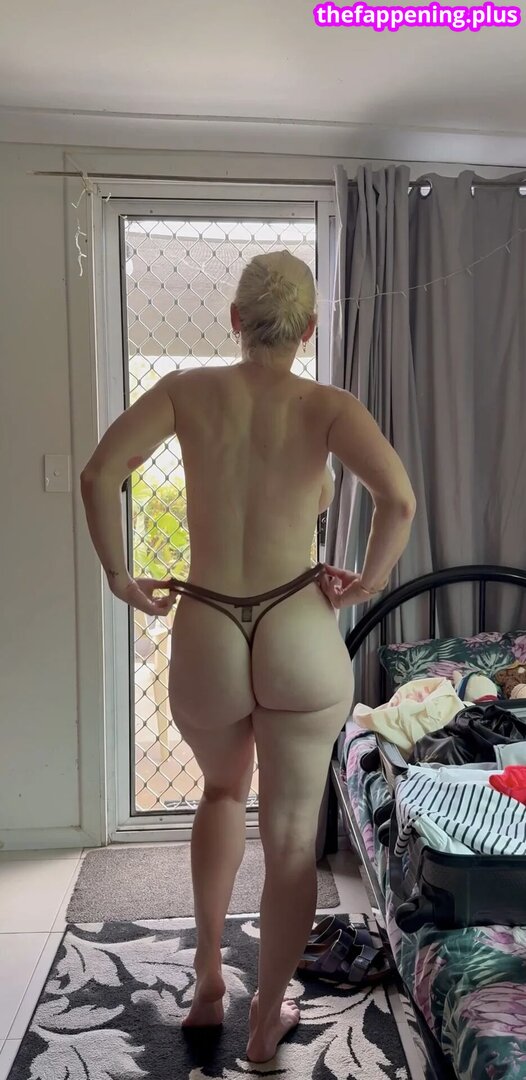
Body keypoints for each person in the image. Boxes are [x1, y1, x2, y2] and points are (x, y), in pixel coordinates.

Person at [81, 249, 416, 1064]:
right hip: (297, 622)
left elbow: (99, 474)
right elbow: (398, 501)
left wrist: (120, 576)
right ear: (309, 329)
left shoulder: (186, 391)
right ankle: (267, 1018)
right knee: (293, 834)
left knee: (221, 792)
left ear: (235, 319)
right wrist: (368, 581)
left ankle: (207, 981)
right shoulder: (328, 407)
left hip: (208, 622)